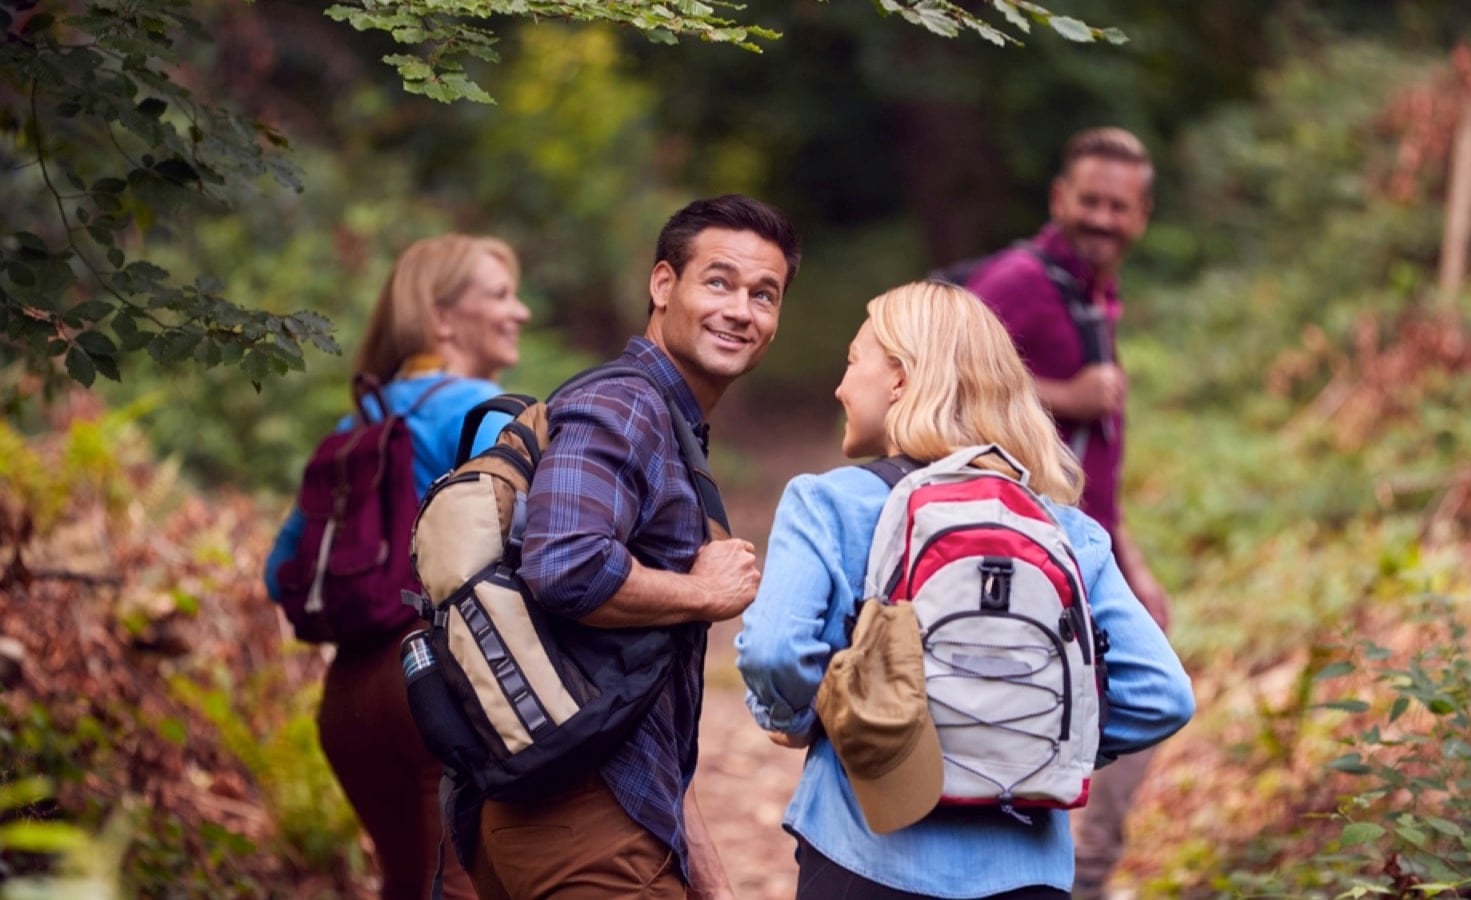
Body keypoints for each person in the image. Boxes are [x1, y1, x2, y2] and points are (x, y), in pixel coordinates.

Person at [735, 280, 1193, 899]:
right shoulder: (1063, 530)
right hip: (1024, 870)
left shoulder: (829, 504)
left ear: (899, 378)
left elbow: (772, 650)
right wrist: (1032, 743)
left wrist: (808, 718)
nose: (842, 386)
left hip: (866, 852)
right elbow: (1162, 695)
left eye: (853, 362)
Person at [466, 194, 801, 900]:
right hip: (582, 823)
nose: (741, 310)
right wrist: (705, 593)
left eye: (763, 294)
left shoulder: (668, 419)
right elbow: (565, 564)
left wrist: (707, 878)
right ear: (662, 285)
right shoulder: (627, 406)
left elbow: (639, 698)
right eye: (719, 281)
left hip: (596, 803)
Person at [264, 233, 532, 899]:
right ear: (441, 318)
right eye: (500, 295)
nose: (520, 311)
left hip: (350, 700)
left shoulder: (356, 420)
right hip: (440, 687)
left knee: (408, 886)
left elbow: (280, 570)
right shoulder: (491, 413)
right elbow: (547, 548)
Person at [962, 127, 1168, 900]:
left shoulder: (1093, 287)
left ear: (1142, 215)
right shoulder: (1021, 278)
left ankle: (1075, 869)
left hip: (1087, 541)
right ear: (1059, 199)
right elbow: (944, 373)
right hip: (1024, 548)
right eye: (1090, 200)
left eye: (1120, 206)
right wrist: (1066, 392)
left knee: (1135, 670)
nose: (1103, 218)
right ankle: (1068, 874)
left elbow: (1086, 452)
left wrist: (1128, 553)